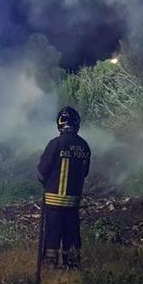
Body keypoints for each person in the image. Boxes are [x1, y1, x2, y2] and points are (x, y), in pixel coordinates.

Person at [36, 106, 91, 269]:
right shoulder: (84, 146)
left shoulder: (55, 144)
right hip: (73, 202)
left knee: (52, 234)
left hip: (54, 202)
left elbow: (42, 171)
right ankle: (72, 265)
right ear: (77, 123)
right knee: (72, 235)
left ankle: (50, 266)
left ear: (59, 123)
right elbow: (85, 172)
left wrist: (46, 181)